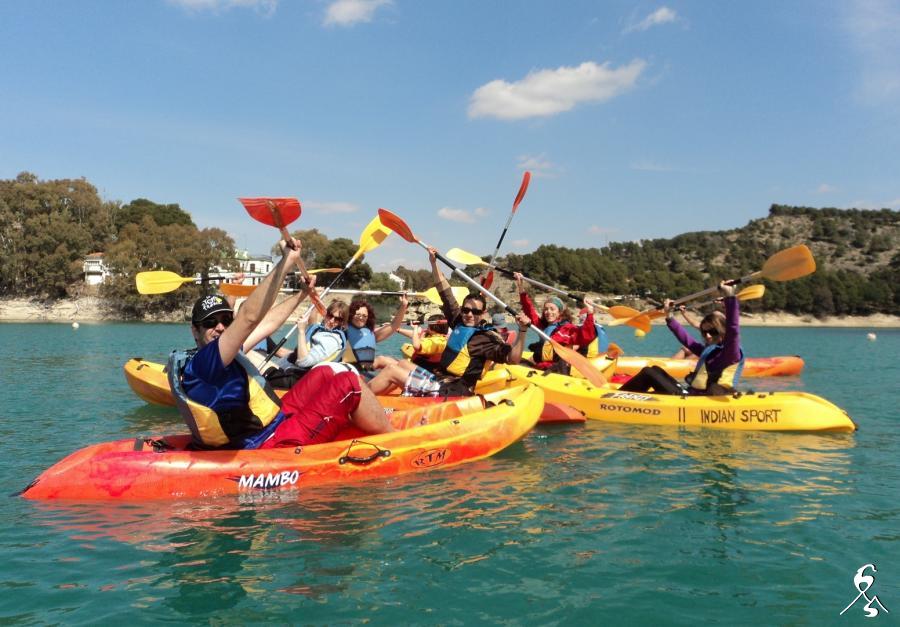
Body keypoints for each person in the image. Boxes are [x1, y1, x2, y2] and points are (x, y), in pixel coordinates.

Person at [167, 237, 394, 450]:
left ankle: (364, 416)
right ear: (195, 330)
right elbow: (248, 316)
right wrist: (284, 264)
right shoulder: (205, 363)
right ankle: (396, 442)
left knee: (325, 372)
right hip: (266, 443)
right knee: (349, 383)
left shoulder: (223, 354)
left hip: (274, 422)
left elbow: (268, 323)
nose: (220, 327)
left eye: (226, 320)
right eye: (210, 323)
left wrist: (302, 294)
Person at [367, 248, 531, 397]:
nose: (469, 314)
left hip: (454, 390)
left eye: (475, 312)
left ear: (483, 314)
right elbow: (444, 291)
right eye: (466, 310)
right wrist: (433, 262)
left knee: (391, 370)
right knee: (402, 363)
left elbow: (513, 358)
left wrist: (522, 331)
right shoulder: (459, 321)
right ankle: (382, 399)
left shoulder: (486, 338)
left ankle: (356, 401)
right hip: (439, 380)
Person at [619, 282, 744, 396]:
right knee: (655, 369)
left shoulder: (731, 353)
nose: (708, 336)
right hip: (690, 394)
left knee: (648, 373)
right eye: (704, 332)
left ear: (722, 330)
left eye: (712, 331)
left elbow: (733, 330)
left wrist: (730, 297)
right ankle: (626, 397)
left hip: (701, 401)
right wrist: (669, 316)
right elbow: (687, 340)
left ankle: (619, 398)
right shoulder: (710, 351)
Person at [513, 272, 597, 372]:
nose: (548, 312)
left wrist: (590, 313)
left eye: (552, 309)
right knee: (516, 363)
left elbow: (585, 337)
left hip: (557, 370)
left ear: (560, 312)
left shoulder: (567, 328)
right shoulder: (543, 326)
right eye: (546, 309)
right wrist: (520, 286)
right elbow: (529, 309)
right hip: (542, 367)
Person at [344, 295, 408, 373]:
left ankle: (419, 378)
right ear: (351, 314)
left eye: (364, 316)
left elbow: (394, 325)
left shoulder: (371, 333)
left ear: (368, 318)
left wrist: (404, 305)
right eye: (358, 314)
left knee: (401, 363)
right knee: (381, 360)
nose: (361, 318)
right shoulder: (345, 329)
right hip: (353, 371)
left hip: (368, 371)